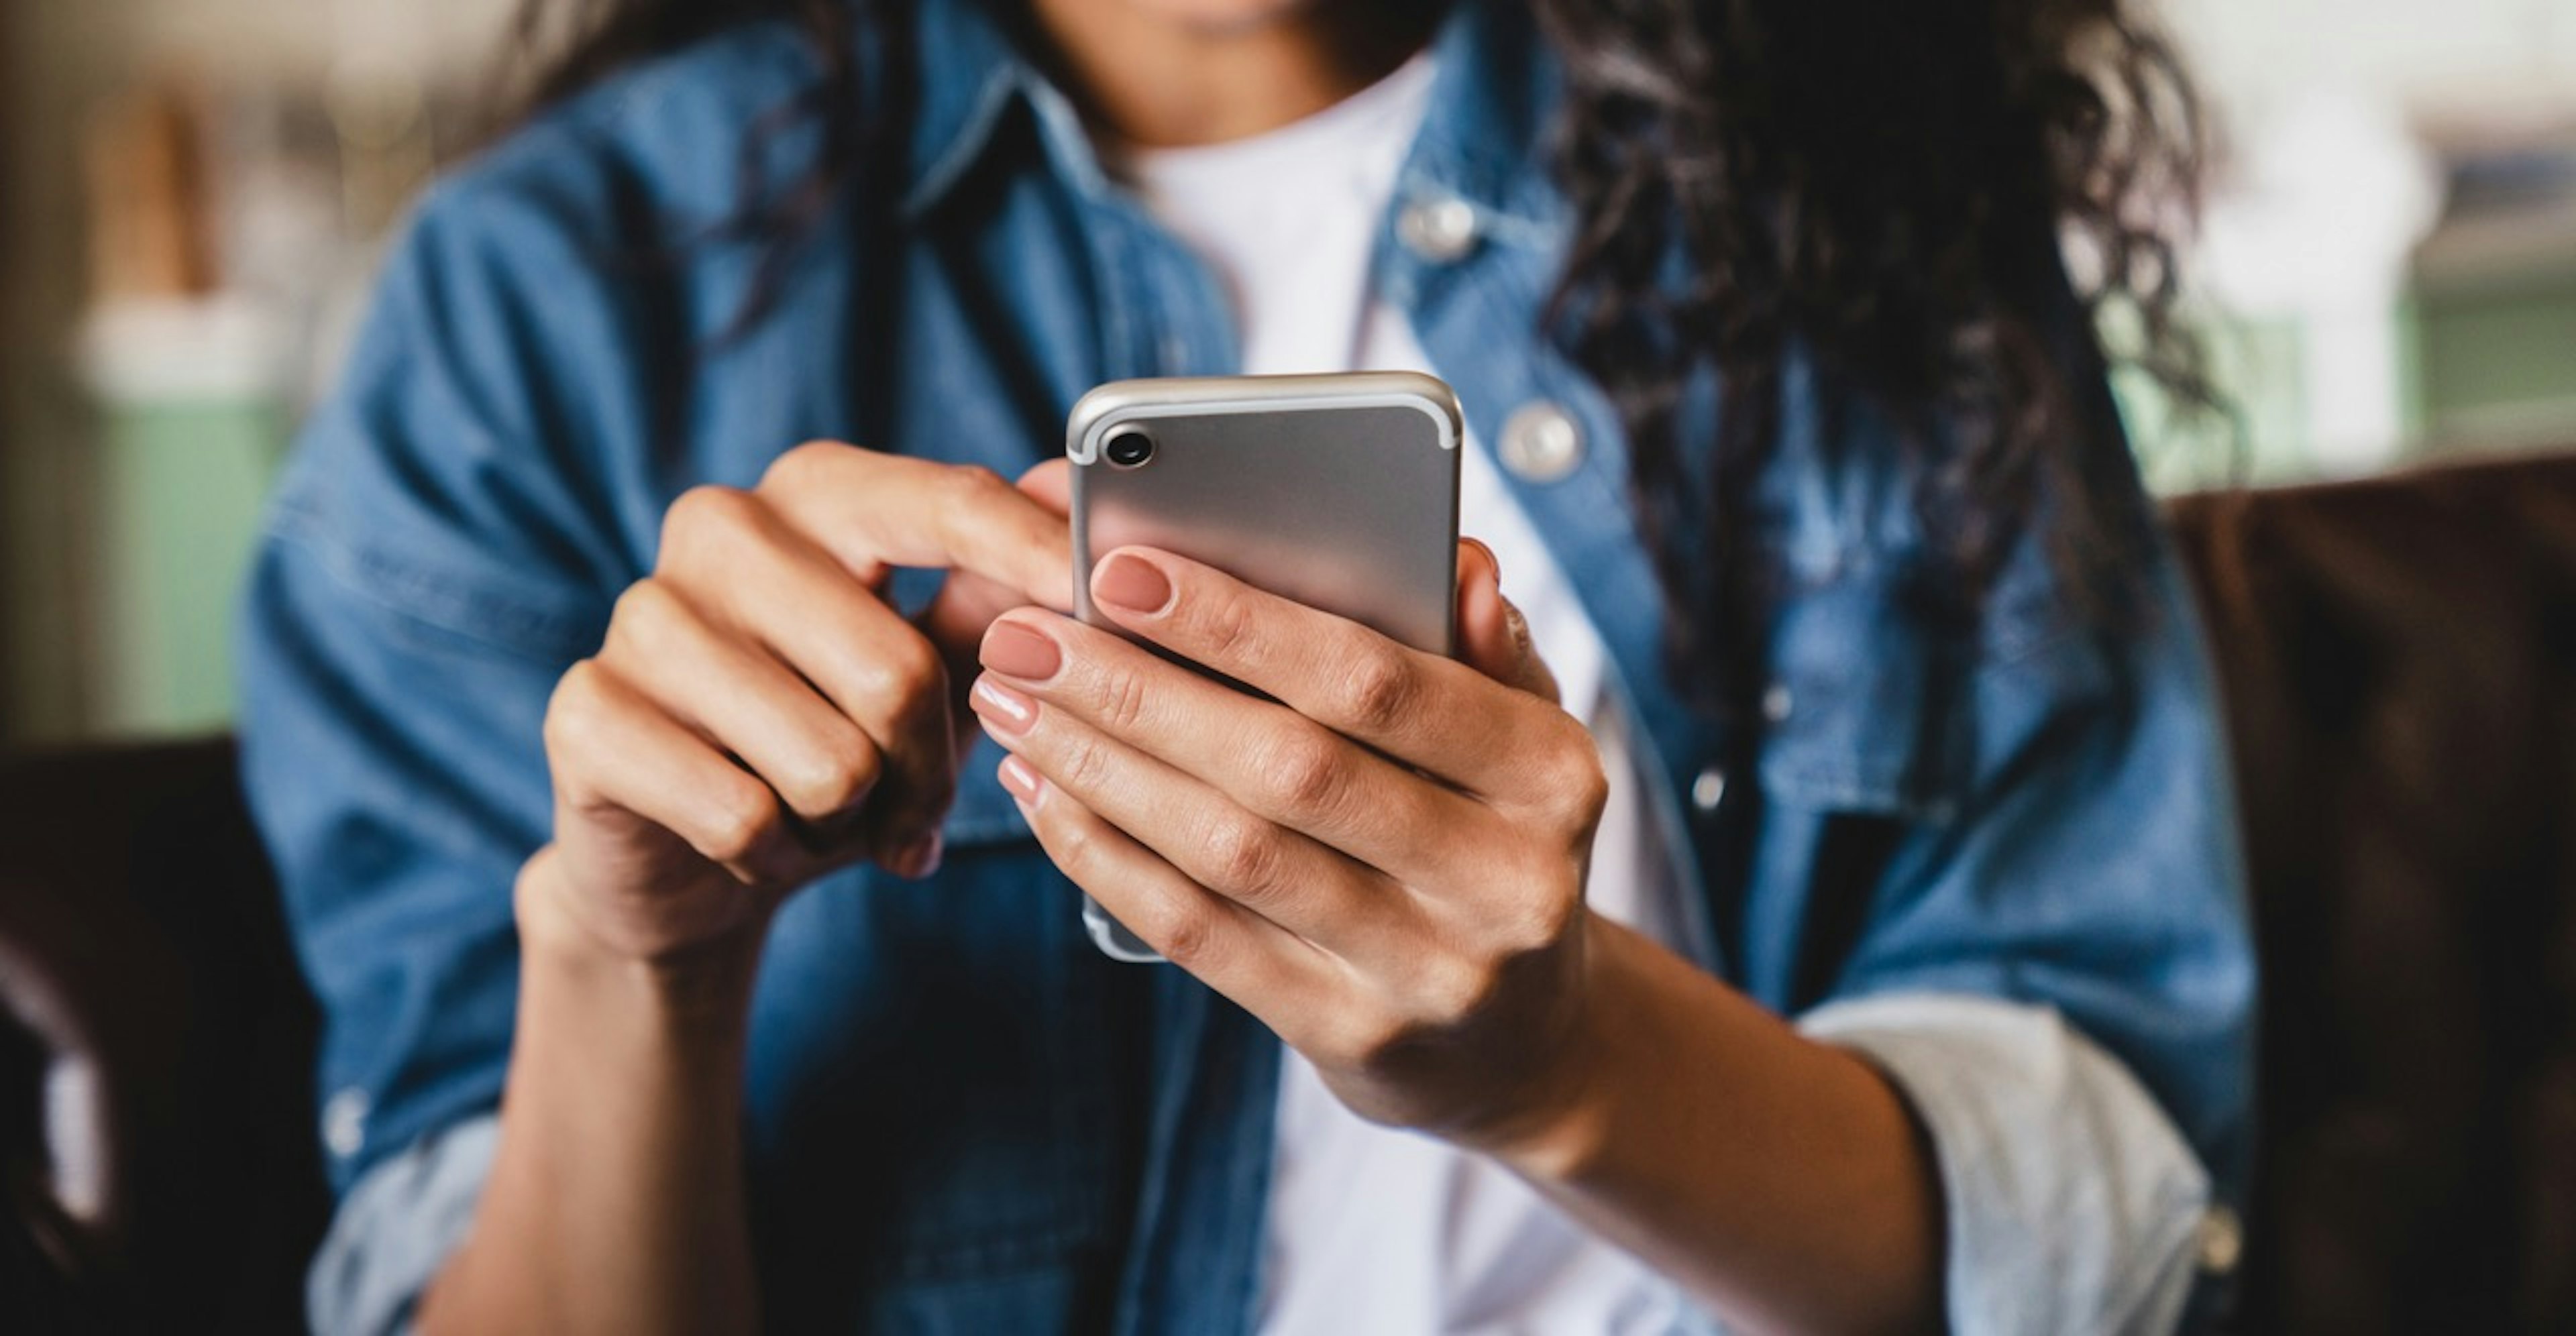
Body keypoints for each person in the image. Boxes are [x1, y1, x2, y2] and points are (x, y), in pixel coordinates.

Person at [241, 0, 2255, 1332]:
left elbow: (2113, 1227)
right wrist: (632, 961)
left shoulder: (1868, 171)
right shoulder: (548, 306)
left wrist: (1562, 1067)